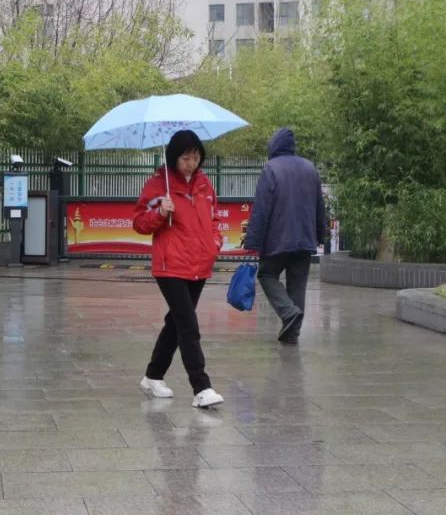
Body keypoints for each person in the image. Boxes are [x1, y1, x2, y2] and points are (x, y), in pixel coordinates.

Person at [133, 130, 225, 409]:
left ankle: (153, 375)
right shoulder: (158, 185)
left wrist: (215, 243)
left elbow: (214, 218)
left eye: (196, 157)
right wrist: (160, 213)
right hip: (170, 265)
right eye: (186, 157)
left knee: (176, 323)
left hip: (199, 263)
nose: (191, 163)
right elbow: (139, 222)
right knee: (188, 326)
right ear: (174, 157)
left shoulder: (205, 185)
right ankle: (201, 386)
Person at [244, 128, 327, 345]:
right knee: (297, 284)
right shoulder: (310, 168)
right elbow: (320, 206)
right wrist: (321, 234)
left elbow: (262, 208)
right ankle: (292, 334)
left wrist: (253, 241)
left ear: (273, 146)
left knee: (266, 274)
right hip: (305, 239)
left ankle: (288, 313)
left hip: (277, 239)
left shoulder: (271, 168)